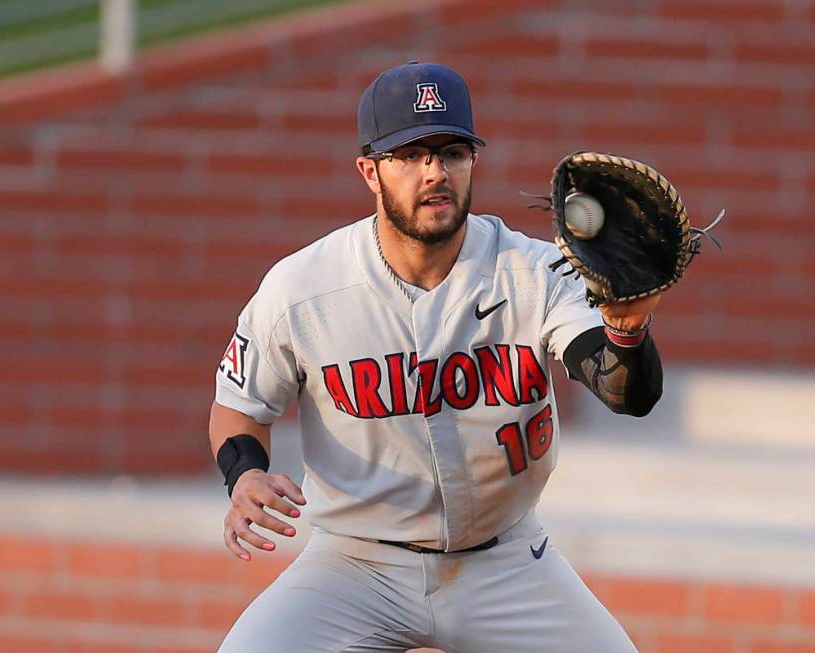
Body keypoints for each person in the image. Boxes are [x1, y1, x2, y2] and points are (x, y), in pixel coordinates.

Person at [211, 61, 663, 653]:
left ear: (473, 161)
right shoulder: (304, 286)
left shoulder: (534, 270)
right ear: (369, 171)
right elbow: (238, 407)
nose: (435, 172)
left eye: (452, 151)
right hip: (353, 566)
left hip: (506, 563)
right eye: (411, 154)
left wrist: (627, 330)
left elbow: (624, 393)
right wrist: (243, 475)